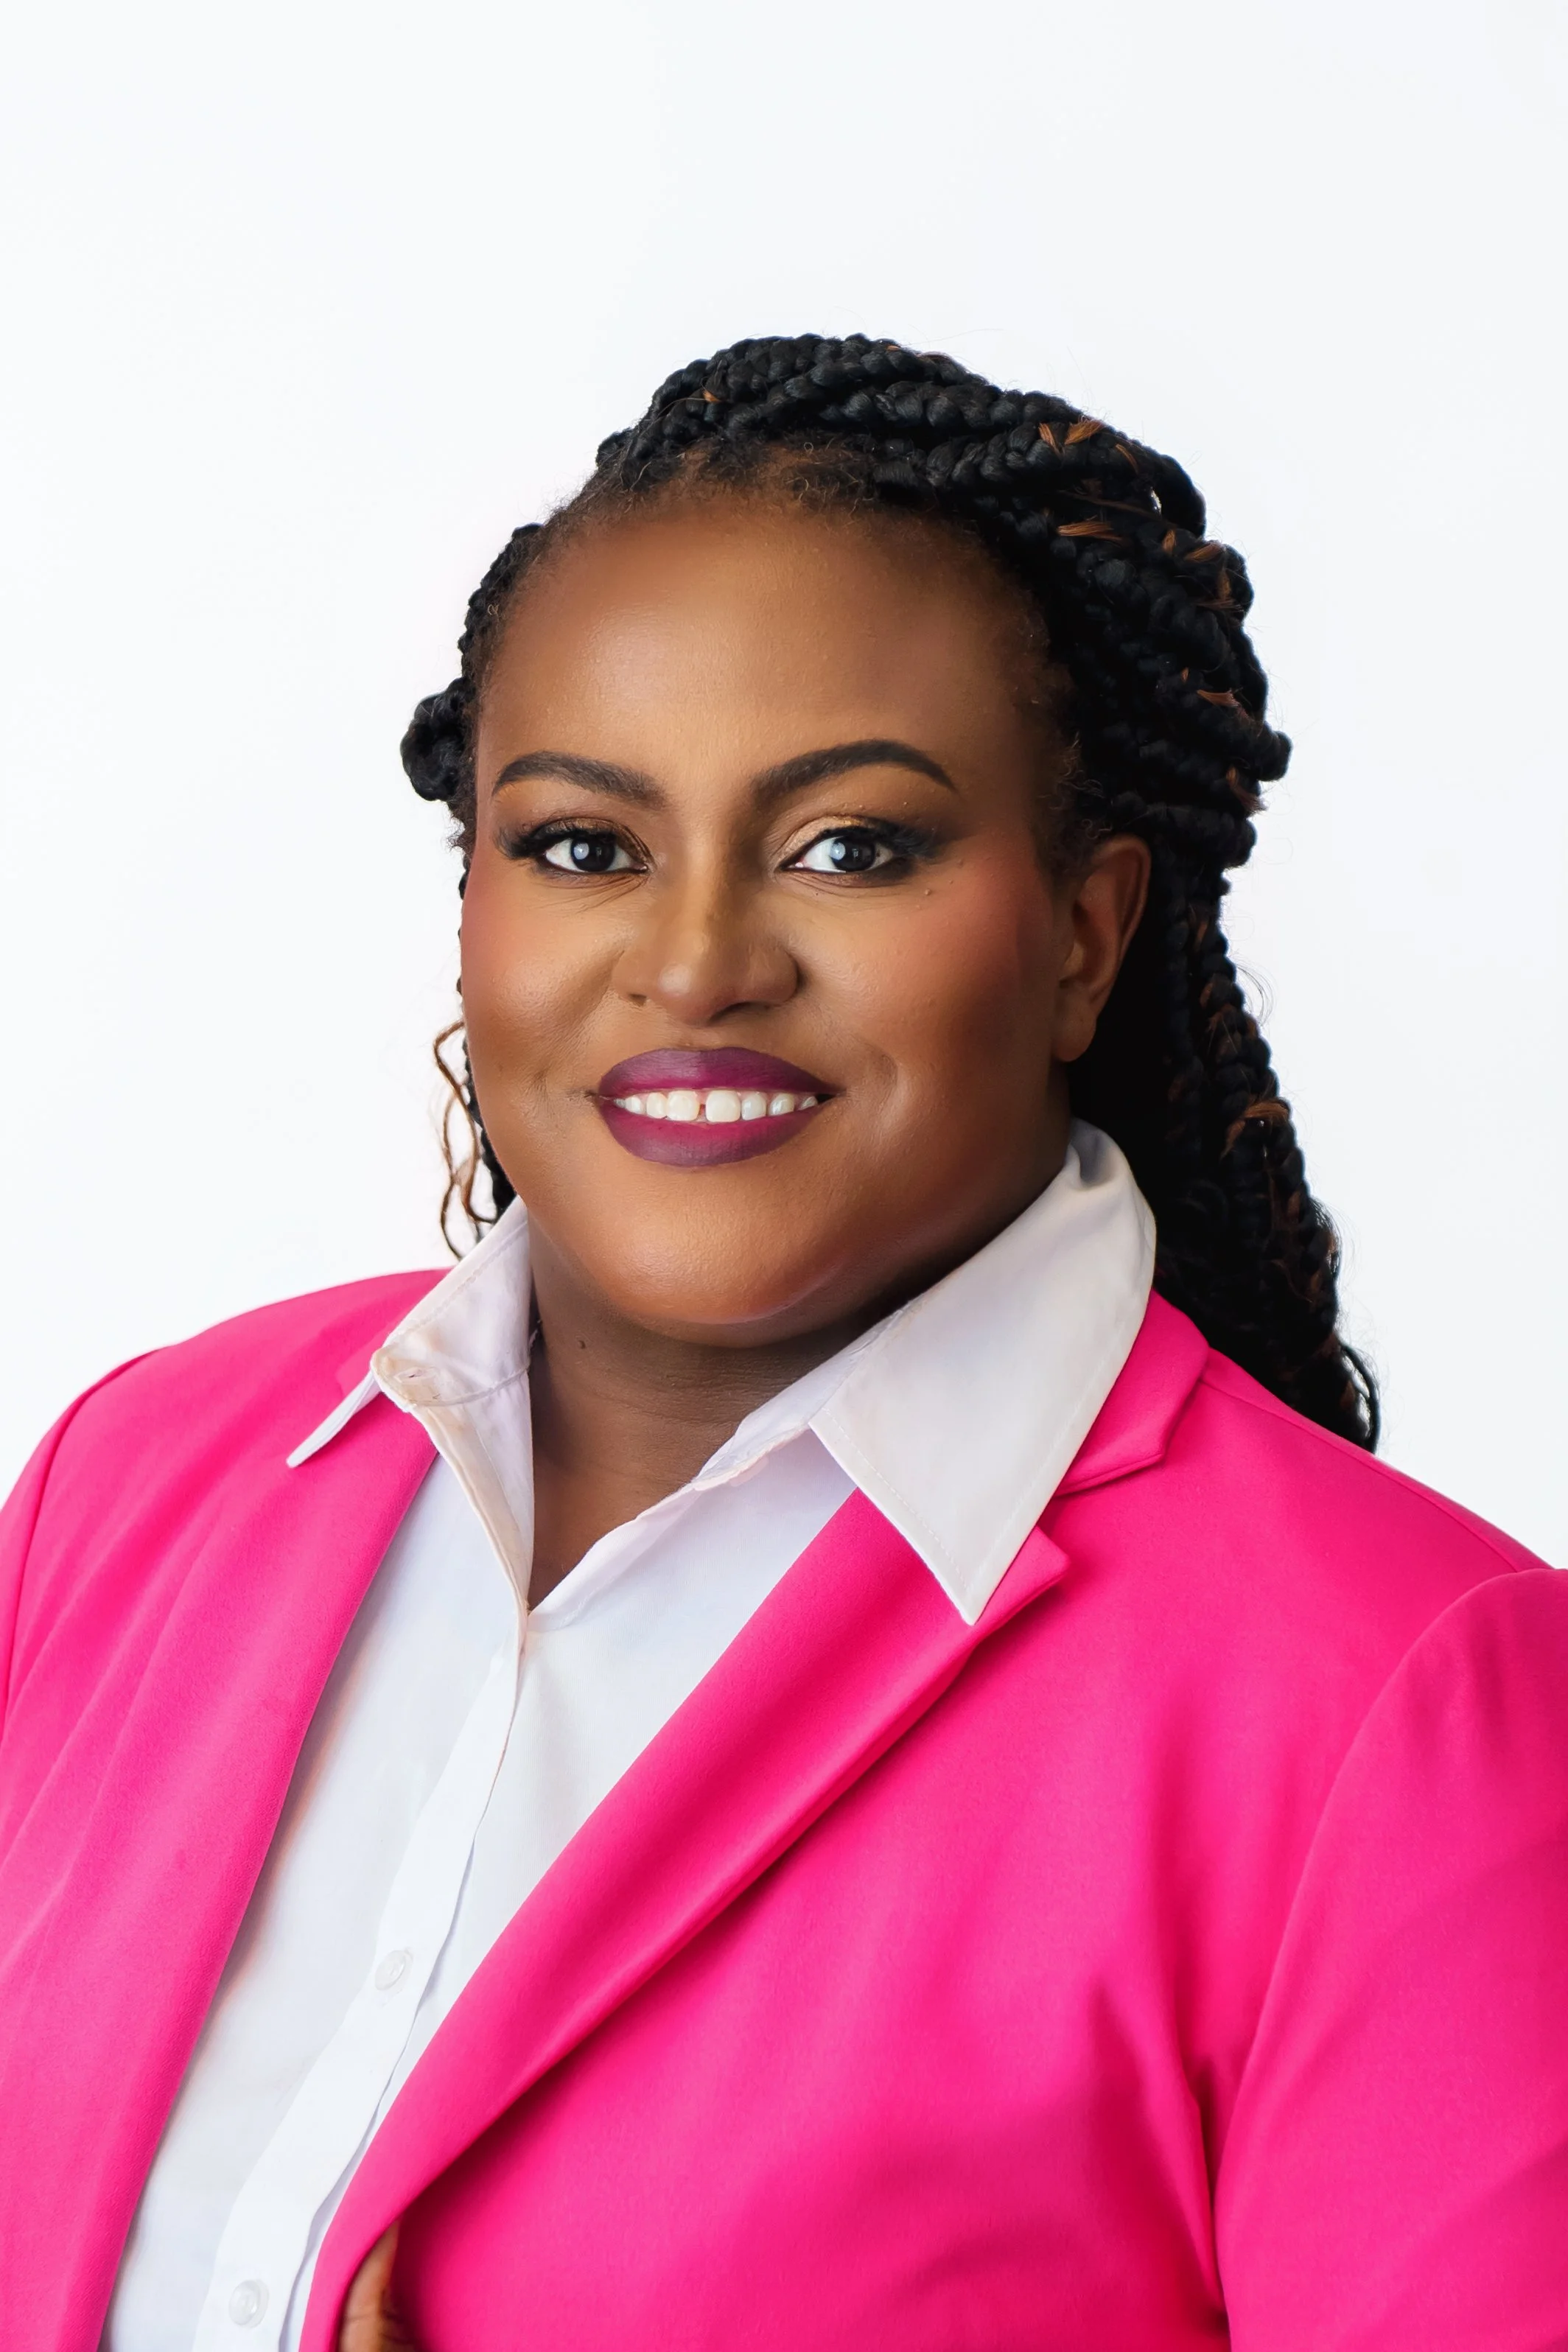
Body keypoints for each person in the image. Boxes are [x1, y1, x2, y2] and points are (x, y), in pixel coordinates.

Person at [1, 335, 1564, 2352]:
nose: (698, 960)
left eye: (854, 847)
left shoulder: (1406, 1709)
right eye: (581, 843)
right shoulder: (147, 1483)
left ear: (1086, 932)